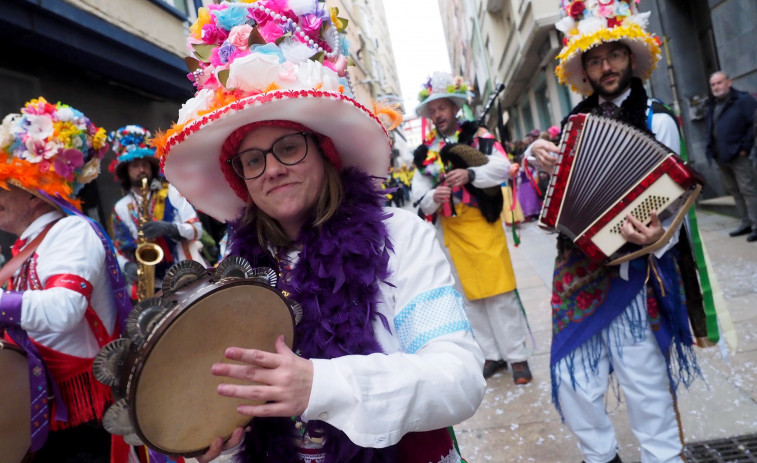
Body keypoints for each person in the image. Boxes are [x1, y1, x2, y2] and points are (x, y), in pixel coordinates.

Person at [152, 2, 486, 462]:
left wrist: (318, 385)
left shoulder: (400, 236)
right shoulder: (234, 268)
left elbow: (460, 379)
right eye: (253, 160)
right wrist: (222, 439)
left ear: (325, 153)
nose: (271, 170)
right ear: (241, 180)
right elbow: (231, 400)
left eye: (288, 147)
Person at [527, 2, 707, 462]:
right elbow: (558, 196)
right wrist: (539, 163)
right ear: (584, 69)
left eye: (614, 55)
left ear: (631, 57)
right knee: (573, 383)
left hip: (636, 272)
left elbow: (676, 196)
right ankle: (601, 457)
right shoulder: (572, 125)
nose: (605, 66)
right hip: (576, 267)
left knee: (644, 383)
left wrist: (657, 232)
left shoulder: (657, 118)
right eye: (595, 59)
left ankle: (661, 456)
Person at [0, 97, 131, 462]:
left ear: (36, 196)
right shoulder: (31, 243)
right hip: (48, 410)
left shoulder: (71, 231)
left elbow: (63, 310)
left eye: (5, 185)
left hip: (80, 420)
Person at [411, 71, 533, 384]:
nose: (438, 114)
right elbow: (418, 196)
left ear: (455, 109)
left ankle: (517, 356)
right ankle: (492, 354)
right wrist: (432, 197)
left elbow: (502, 167)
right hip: (450, 231)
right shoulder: (426, 152)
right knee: (469, 298)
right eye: (433, 110)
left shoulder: (479, 137)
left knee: (500, 293)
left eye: (443, 108)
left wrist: (470, 176)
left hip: (482, 224)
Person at [108, 125, 207, 299]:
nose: (141, 170)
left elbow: (198, 230)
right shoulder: (121, 208)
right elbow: (119, 249)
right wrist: (126, 266)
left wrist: (170, 228)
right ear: (126, 171)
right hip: (154, 286)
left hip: (190, 275)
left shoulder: (172, 192)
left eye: (145, 164)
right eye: (135, 166)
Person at [705, 71, 757, 242]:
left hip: (739, 155)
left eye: (719, 83)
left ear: (729, 82)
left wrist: (745, 148)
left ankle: (756, 225)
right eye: (713, 84)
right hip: (721, 156)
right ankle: (746, 223)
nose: (716, 87)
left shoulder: (742, 100)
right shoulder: (712, 104)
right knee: (734, 191)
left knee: (748, 190)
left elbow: (753, 124)